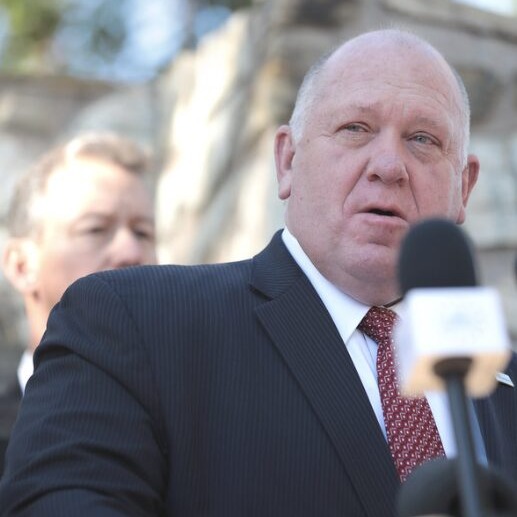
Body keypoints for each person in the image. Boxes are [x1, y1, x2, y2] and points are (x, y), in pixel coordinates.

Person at [1, 29, 516, 516]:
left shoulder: (503, 379)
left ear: (464, 187)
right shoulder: (133, 324)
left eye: (423, 140)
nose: (388, 164)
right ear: (287, 160)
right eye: (355, 129)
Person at [0, 132, 158, 475]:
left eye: (143, 232)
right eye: (96, 229)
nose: (132, 253)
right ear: (21, 265)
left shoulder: (206, 429)